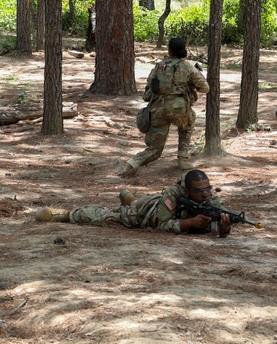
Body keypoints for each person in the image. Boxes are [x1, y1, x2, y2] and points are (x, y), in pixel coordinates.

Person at [34, 170, 235, 236]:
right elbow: (160, 224)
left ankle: (131, 199)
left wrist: (224, 228)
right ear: (187, 191)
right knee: (109, 216)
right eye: (199, 192)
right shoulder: (172, 197)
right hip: (144, 213)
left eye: (207, 189)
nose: (205, 194)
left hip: (152, 204)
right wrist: (187, 224)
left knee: (138, 202)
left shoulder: (209, 197)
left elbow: (220, 218)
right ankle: (64, 214)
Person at [116, 37, 209, 176]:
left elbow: (146, 94)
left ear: (169, 50)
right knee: (188, 125)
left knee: (155, 149)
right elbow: (205, 88)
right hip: (179, 109)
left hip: (158, 110)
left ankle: (131, 164)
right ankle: (183, 158)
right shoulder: (188, 67)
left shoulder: (159, 66)